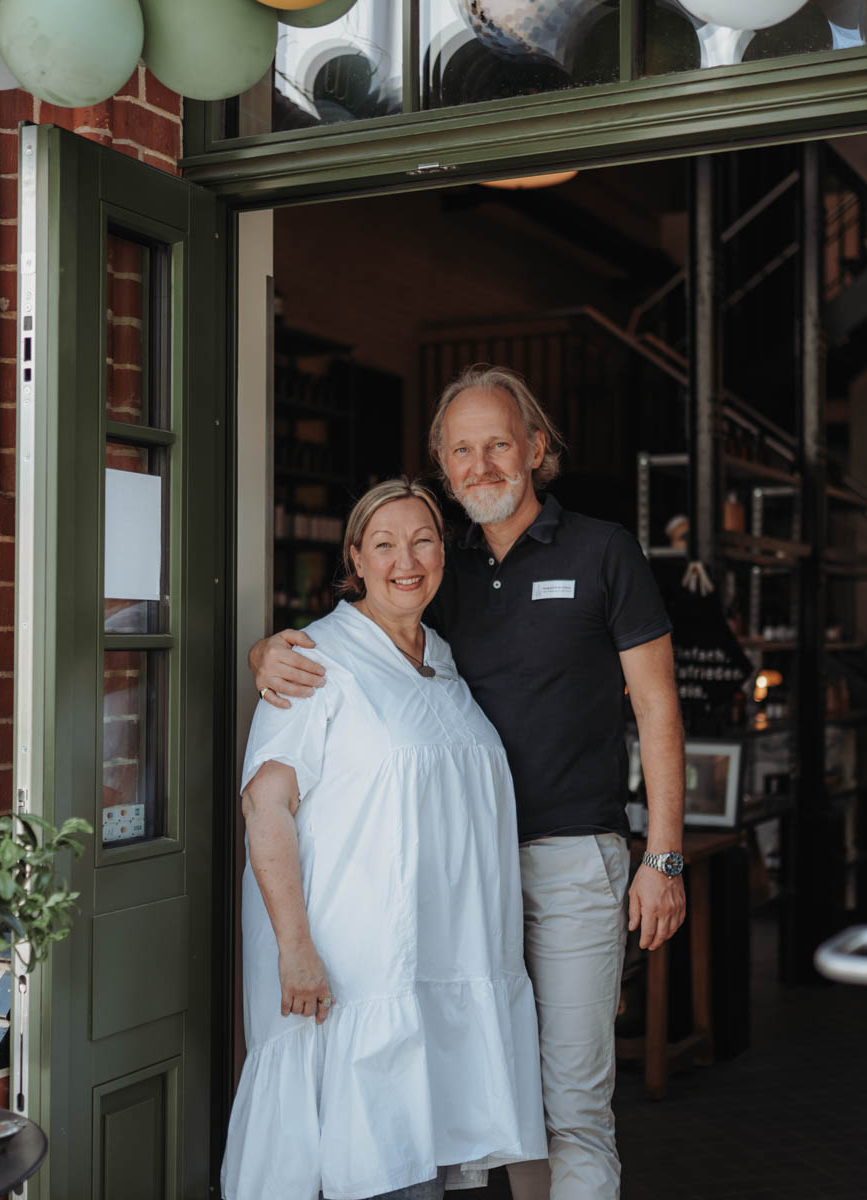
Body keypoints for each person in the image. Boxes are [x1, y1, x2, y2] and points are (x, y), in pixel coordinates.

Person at [250, 365, 687, 1200]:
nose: (480, 465)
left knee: (569, 1109)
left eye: (497, 445)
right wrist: (265, 651)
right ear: (444, 468)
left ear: (536, 449)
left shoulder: (603, 551)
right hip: (457, 879)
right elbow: (363, 642)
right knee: (492, 1091)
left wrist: (663, 857)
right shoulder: (441, 570)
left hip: (571, 861)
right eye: (460, 450)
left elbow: (658, 708)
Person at [223, 478, 546, 1200]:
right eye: (385, 544)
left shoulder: (442, 658)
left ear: (444, 552)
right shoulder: (314, 658)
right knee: (370, 1167)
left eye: (423, 541)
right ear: (355, 558)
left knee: (415, 1164)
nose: (407, 560)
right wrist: (295, 948)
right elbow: (264, 807)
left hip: (436, 963)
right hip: (350, 974)